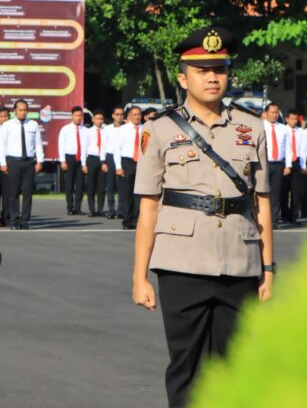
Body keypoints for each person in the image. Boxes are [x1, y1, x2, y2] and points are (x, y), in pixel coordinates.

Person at [132, 27, 273, 408]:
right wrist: (139, 275)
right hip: (182, 264)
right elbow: (148, 206)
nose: (212, 77)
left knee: (235, 367)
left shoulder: (252, 128)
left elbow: (261, 201)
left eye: (220, 69)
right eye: (201, 69)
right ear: (183, 77)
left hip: (240, 262)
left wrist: (269, 268)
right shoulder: (159, 130)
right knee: (187, 366)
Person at [0, 99, 44, 229]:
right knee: (13, 193)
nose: (23, 112)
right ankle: (13, 221)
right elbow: (2, 145)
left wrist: (40, 161)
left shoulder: (33, 125)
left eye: (25, 110)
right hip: (13, 162)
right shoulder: (7, 125)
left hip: (29, 162)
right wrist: (2, 162)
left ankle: (25, 221)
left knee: (28, 193)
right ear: (15, 111)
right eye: (20, 110)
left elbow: (38, 144)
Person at [113, 106, 143, 229]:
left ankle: (136, 221)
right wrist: (118, 167)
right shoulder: (122, 130)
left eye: (139, 114)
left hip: (141, 163)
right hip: (127, 162)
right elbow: (117, 149)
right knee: (126, 194)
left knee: (139, 194)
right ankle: (127, 220)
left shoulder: (145, 129)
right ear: (129, 116)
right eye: (134, 114)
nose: (137, 117)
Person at [262, 102, 290, 228]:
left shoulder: (283, 128)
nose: (275, 115)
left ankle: (274, 221)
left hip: (279, 164)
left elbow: (288, 148)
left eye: (276, 112)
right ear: (266, 113)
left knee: (276, 194)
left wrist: (288, 165)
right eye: (272, 112)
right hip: (264, 164)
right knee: (262, 192)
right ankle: (262, 220)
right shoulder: (261, 126)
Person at [58, 106, 88, 215]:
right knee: (69, 184)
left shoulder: (85, 130)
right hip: (69, 158)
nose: (78, 118)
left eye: (80, 116)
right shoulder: (65, 129)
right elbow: (61, 145)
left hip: (81, 159)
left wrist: (84, 163)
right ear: (72, 116)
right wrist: (62, 161)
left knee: (80, 185)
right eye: (76, 115)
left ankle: (78, 207)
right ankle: (70, 207)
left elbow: (85, 147)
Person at [281, 108, 305, 224]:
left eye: (296, 119)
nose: (294, 121)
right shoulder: (283, 130)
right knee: (284, 191)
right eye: (292, 119)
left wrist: (303, 165)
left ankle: (294, 216)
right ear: (286, 119)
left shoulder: (301, 132)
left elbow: (303, 149)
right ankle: (285, 215)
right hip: (286, 162)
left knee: (297, 192)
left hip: (297, 163)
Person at [103, 105, 125, 219]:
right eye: (117, 114)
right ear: (113, 116)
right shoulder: (107, 128)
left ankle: (121, 210)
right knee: (110, 185)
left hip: (122, 157)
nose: (119, 117)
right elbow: (103, 145)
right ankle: (111, 210)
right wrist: (103, 161)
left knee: (121, 185)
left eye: (121, 114)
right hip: (110, 157)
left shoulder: (126, 128)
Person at [85, 110, 108, 216]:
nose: (99, 121)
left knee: (101, 186)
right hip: (92, 158)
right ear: (93, 119)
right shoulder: (88, 132)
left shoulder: (106, 131)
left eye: (101, 119)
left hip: (102, 159)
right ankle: (91, 209)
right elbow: (84, 148)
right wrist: (83, 163)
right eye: (97, 119)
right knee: (91, 186)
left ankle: (100, 209)